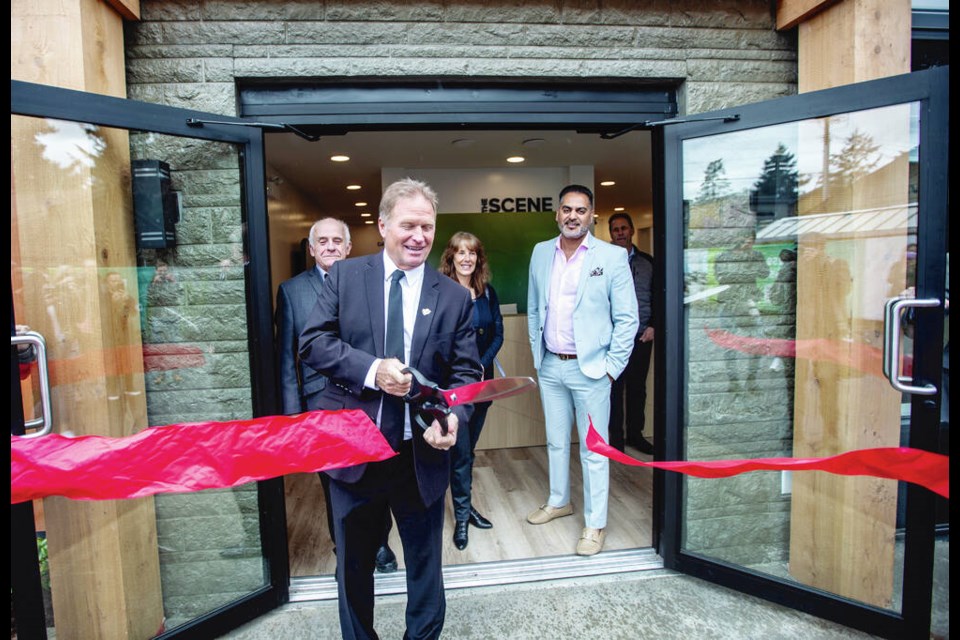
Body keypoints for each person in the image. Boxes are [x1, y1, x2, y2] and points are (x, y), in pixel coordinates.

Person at [299, 178, 482, 640]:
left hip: (418, 456)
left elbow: (466, 376)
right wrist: (371, 369)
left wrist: (454, 419)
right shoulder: (345, 276)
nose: (419, 236)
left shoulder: (456, 297)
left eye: (427, 226)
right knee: (354, 567)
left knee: (425, 567)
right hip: (354, 451)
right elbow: (312, 343)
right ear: (383, 226)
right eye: (408, 225)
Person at [275, 217, 397, 573]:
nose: (330, 247)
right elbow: (287, 359)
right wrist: (295, 418)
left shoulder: (372, 285)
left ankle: (380, 544)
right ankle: (344, 546)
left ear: (348, 247)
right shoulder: (292, 291)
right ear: (312, 250)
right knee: (335, 484)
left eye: (336, 241)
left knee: (377, 475)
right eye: (322, 241)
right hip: (319, 402)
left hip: (369, 398)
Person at [526, 184, 638, 556]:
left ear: (592, 216)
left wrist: (611, 369)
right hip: (551, 365)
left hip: (591, 371)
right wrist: (537, 354)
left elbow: (627, 319)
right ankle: (559, 501)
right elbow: (534, 308)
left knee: (594, 449)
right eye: (566, 209)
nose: (572, 216)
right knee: (555, 441)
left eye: (581, 210)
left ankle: (595, 524)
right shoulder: (542, 252)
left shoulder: (611, 256)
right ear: (557, 214)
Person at [438, 231, 504, 550]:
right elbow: (436, 342)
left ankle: (465, 505)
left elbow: (498, 335)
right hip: (454, 388)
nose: (467, 258)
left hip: (483, 384)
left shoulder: (487, 293)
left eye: (473, 253)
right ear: (450, 257)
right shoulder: (439, 293)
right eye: (460, 252)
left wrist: (480, 364)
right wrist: (465, 369)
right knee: (461, 453)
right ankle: (462, 517)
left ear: (479, 259)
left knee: (468, 451)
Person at [607, 213, 655, 454]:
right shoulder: (604, 262)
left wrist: (653, 325)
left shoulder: (648, 262)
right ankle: (615, 441)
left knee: (637, 389)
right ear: (610, 233)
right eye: (615, 229)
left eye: (624, 228)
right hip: (613, 339)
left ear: (632, 230)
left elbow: (659, 297)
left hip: (641, 337)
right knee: (614, 389)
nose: (620, 232)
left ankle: (636, 436)